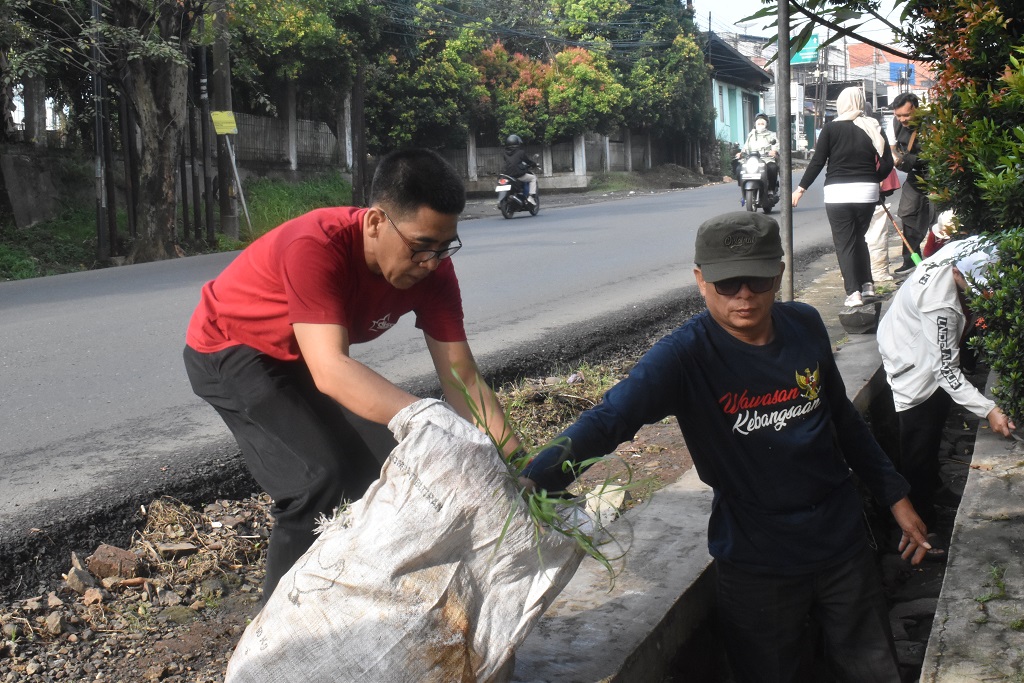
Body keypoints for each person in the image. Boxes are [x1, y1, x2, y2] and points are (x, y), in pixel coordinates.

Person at [522, 211, 933, 683]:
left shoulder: (804, 324)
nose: (743, 294)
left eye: (757, 280)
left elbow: (842, 418)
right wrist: (532, 481)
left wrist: (895, 495)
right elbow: (607, 420)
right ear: (700, 281)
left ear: (778, 273)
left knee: (873, 669)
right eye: (726, 283)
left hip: (841, 544)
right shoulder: (683, 356)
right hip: (757, 560)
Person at [183, 148, 520, 600]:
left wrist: (516, 464)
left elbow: (462, 377)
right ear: (377, 221)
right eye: (421, 246)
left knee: (395, 463)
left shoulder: (433, 269)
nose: (432, 262)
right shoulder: (317, 245)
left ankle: (352, 593)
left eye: (444, 247)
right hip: (231, 347)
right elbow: (330, 371)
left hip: (308, 350)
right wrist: (426, 418)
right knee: (317, 479)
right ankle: (276, 630)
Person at [877, 235, 1016, 532]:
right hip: (910, 359)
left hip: (924, 341)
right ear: (956, 272)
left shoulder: (971, 250)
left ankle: (934, 486)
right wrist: (989, 409)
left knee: (938, 416)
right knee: (918, 443)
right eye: (980, 288)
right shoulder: (939, 303)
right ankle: (919, 523)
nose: (986, 295)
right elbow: (945, 372)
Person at [793, 87, 894, 308]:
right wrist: (872, 178)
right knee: (859, 238)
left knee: (844, 243)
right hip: (867, 192)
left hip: (838, 192)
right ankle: (867, 284)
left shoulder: (830, 129)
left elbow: (818, 162)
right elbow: (888, 163)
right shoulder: (873, 126)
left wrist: (801, 188)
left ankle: (854, 293)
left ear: (840, 103)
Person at [890, 92, 934, 278]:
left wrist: (911, 159)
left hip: (936, 175)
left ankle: (938, 260)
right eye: (899, 116)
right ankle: (910, 260)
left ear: (916, 108)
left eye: (906, 115)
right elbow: (895, 146)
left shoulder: (930, 122)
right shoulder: (896, 124)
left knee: (939, 219)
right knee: (907, 214)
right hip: (915, 176)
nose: (903, 120)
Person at [733, 113, 779, 194]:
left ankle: (771, 190)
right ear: (755, 124)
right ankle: (744, 188)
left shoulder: (772, 135)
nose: (760, 125)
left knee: (773, 168)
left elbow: (776, 145)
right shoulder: (751, 135)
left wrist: (774, 151)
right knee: (739, 169)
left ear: (766, 124)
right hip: (751, 160)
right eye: (758, 123)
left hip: (766, 159)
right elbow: (745, 148)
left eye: (762, 123)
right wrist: (741, 153)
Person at [501, 134, 540, 205]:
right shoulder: (521, 152)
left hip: (508, 175)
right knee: (533, 178)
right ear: (517, 143)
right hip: (518, 175)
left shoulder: (505, 153)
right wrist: (534, 164)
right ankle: (531, 197)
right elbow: (527, 161)